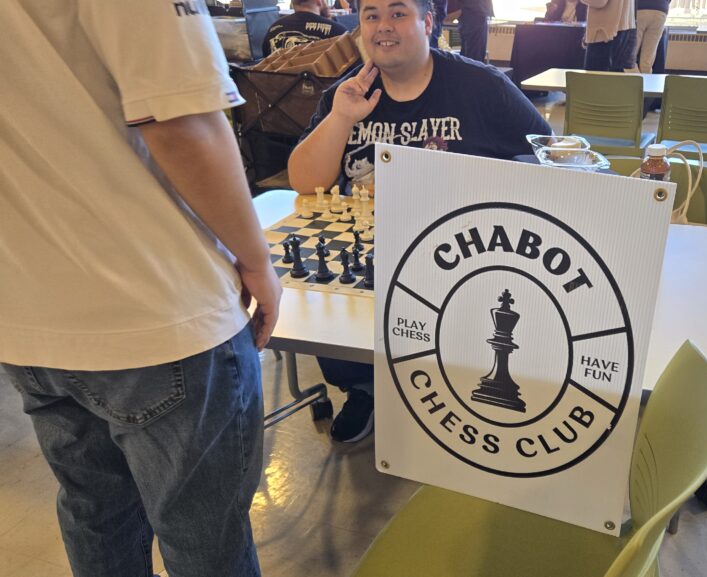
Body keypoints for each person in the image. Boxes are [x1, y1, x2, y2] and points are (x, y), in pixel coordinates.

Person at [0, 2, 281, 577]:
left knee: (97, 520)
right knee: (206, 542)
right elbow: (181, 125)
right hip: (156, 308)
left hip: (26, 312)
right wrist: (257, 261)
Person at [288, 0, 551, 442]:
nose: (382, 27)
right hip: (367, 254)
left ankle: (454, 386)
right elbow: (303, 182)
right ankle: (365, 389)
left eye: (397, 14)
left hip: (460, 258)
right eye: (371, 16)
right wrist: (341, 117)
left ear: (427, 23)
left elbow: (546, 156)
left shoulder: (481, 86)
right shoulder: (345, 92)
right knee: (325, 296)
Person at [263, 0, 348, 56]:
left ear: (293, 3)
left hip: (281, 83)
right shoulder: (338, 32)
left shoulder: (273, 30)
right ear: (318, 1)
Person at [581, 0, 638, 72]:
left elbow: (600, 2)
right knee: (614, 80)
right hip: (624, 29)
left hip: (604, 33)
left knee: (595, 80)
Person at [634, 0, 668, 73]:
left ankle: (637, 81)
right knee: (647, 60)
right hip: (661, 10)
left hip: (640, 8)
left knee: (629, 57)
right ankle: (645, 82)